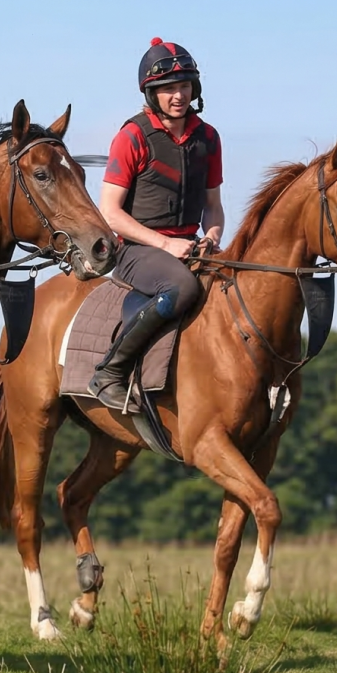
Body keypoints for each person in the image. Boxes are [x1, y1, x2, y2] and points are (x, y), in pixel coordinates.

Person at [89, 37, 225, 410]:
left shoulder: (208, 138)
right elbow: (110, 213)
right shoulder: (131, 137)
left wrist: (212, 235)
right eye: (167, 89)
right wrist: (166, 245)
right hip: (137, 250)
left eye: (184, 86)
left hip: (189, 243)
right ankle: (110, 373)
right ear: (152, 94)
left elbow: (213, 206)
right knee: (181, 287)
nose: (178, 95)